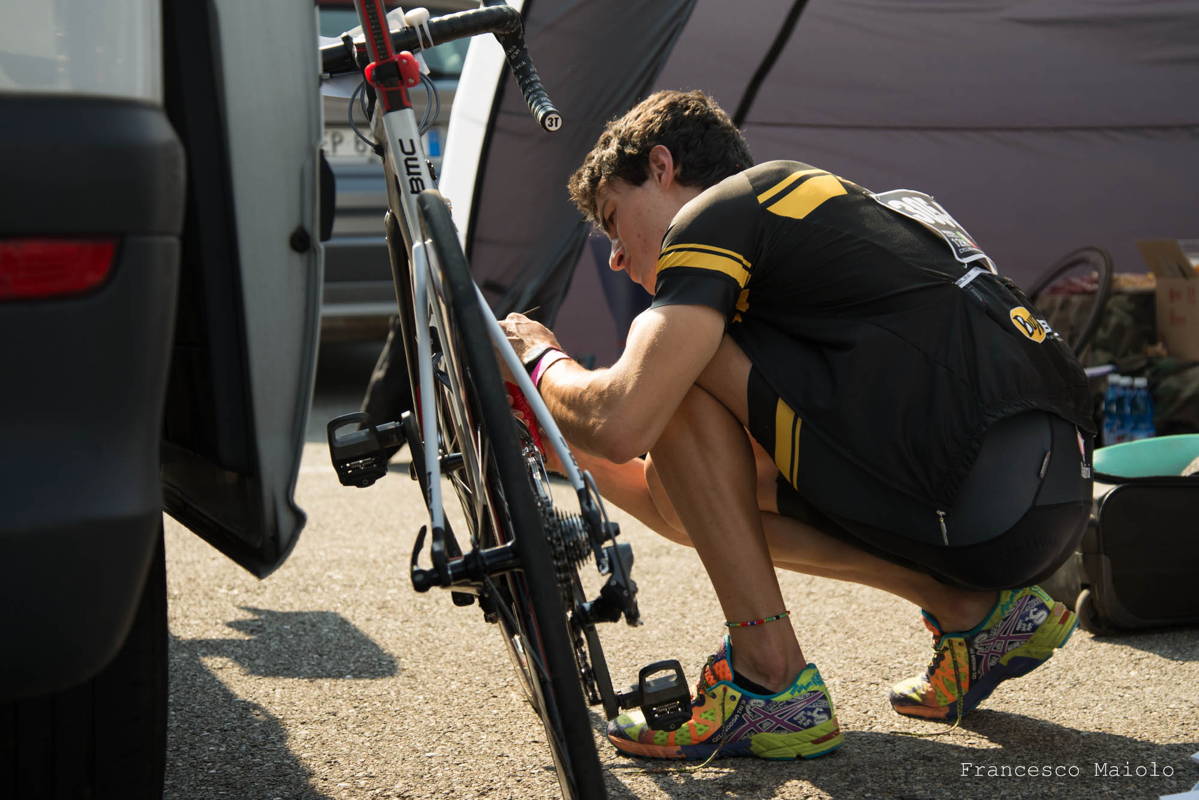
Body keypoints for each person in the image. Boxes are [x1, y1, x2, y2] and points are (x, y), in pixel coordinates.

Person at [499, 90, 1094, 762]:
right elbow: (679, 503)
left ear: (662, 166)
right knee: (677, 430)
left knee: (668, 363)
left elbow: (620, 421)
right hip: (1040, 497)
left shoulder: (716, 213)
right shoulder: (821, 222)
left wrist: (537, 362)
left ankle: (769, 680)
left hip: (980, 488)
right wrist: (549, 427)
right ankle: (978, 614)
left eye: (613, 221)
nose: (613, 257)